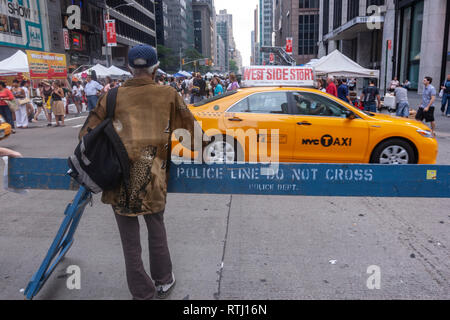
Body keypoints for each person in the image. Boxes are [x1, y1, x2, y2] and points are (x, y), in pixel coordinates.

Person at [79, 44, 203, 300]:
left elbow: (86, 134)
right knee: (156, 227)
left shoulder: (111, 96)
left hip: (117, 178)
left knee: (129, 241)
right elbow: (194, 138)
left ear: (129, 68)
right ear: (155, 67)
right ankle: (163, 280)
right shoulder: (168, 94)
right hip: (153, 177)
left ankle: (142, 292)